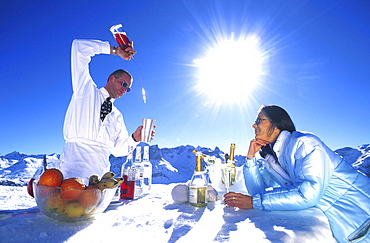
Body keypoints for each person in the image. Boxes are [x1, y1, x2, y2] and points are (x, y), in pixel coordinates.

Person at [224, 105, 370, 243]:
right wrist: (250, 159)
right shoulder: (273, 159)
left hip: (363, 218)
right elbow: (257, 191)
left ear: (276, 123)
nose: (254, 126)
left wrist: (254, 202)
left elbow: (308, 194)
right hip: (350, 229)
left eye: (258, 121)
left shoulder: (304, 144)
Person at [59, 38, 152, 182]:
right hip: (72, 171)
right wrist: (115, 51)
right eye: (124, 83)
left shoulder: (117, 116)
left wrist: (134, 138)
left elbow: (118, 150)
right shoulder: (86, 91)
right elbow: (79, 48)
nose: (125, 89)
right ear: (111, 78)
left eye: (128, 88)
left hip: (99, 179)